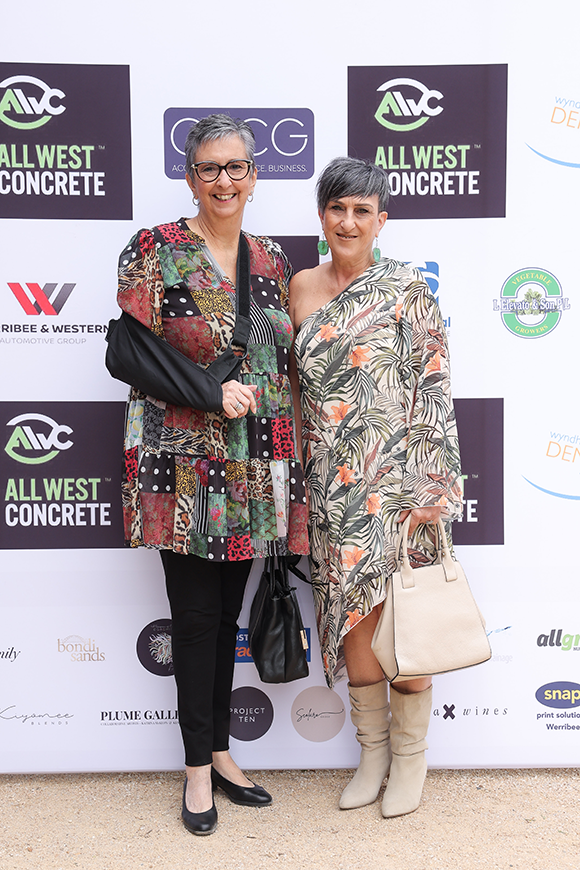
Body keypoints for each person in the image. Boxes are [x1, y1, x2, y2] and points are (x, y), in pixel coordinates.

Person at [115, 114, 309, 835]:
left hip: (255, 462)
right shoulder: (156, 249)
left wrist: (292, 463)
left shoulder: (272, 258)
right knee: (196, 618)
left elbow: (275, 364)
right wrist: (208, 391)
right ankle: (197, 769)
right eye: (209, 168)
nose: (224, 180)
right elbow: (129, 351)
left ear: (254, 176)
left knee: (227, 615)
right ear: (190, 177)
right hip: (181, 465)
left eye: (236, 167)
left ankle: (222, 750)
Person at [288, 156, 462, 819]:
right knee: (354, 625)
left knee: (408, 625)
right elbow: (296, 394)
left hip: (401, 487)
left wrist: (431, 488)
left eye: (362, 210)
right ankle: (373, 756)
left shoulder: (408, 289)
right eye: (337, 208)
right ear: (322, 216)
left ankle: (411, 760)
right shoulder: (301, 288)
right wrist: (295, 486)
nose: (348, 221)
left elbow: (433, 388)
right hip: (332, 487)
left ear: (381, 220)